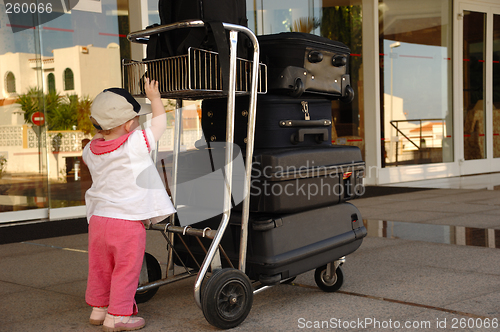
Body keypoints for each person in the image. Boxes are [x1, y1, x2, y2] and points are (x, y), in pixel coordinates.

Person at [83, 79, 175, 331]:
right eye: (135, 120)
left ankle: (99, 310)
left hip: (99, 220)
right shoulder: (134, 144)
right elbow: (158, 125)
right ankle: (119, 316)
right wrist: (155, 98)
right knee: (125, 270)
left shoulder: (90, 150)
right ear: (128, 124)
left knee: (100, 268)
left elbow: (103, 136)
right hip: (125, 223)